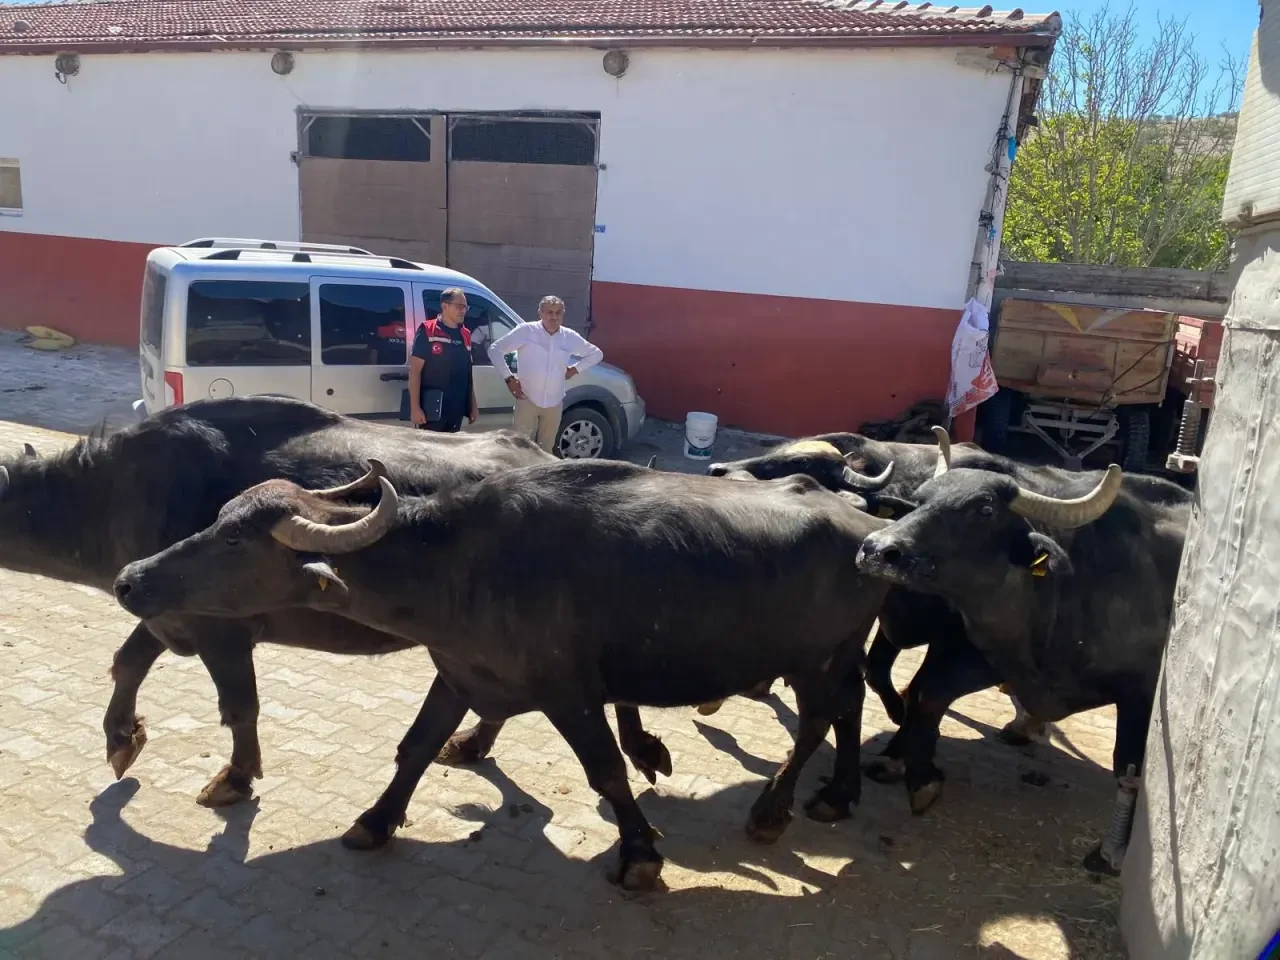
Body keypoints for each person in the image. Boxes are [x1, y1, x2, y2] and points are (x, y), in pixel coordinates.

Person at [487, 295, 604, 454]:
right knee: (521, 449)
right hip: (527, 399)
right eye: (549, 312)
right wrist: (509, 378)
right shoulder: (526, 331)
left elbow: (596, 354)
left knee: (546, 449)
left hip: (554, 403)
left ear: (563, 314)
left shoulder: (569, 336)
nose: (554, 317)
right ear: (540, 313)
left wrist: (575, 369)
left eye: (558, 312)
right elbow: (495, 350)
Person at [409, 287, 478, 433]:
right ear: (444, 306)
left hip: (456, 408)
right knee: (430, 447)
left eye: (465, 307)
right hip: (432, 410)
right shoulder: (428, 330)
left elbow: (467, 373)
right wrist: (415, 408)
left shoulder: (465, 334)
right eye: (459, 306)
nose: (463, 310)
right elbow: (414, 372)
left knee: (452, 446)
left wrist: (473, 404)